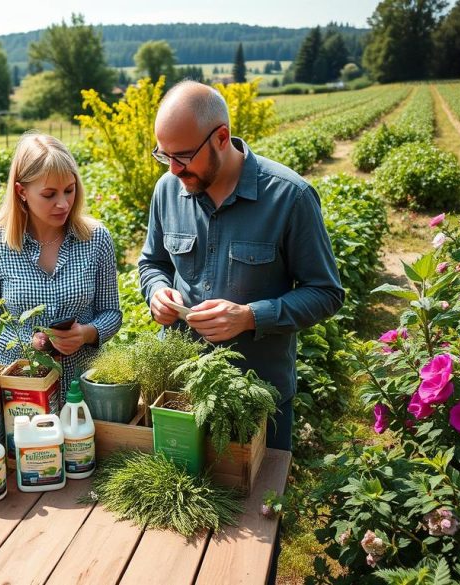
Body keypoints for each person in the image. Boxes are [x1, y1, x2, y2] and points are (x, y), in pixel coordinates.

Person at [139, 80, 343, 582]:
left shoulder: (288, 197)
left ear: (221, 137)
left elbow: (326, 292)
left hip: (261, 400)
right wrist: (156, 292)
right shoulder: (169, 189)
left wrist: (250, 316)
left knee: (254, 536)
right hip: (184, 393)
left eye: (182, 156)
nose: (172, 170)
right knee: (180, 526)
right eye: (162, 156)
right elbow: (152, 263)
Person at [0, 132, 122, 400]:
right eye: (49, 194)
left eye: (69, 189)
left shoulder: (95, 238)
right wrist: (29, 344)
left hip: (86, 386)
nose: (63, 203)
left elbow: (111, 312)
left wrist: (86, 334)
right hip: (21, 390)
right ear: (21, 192)